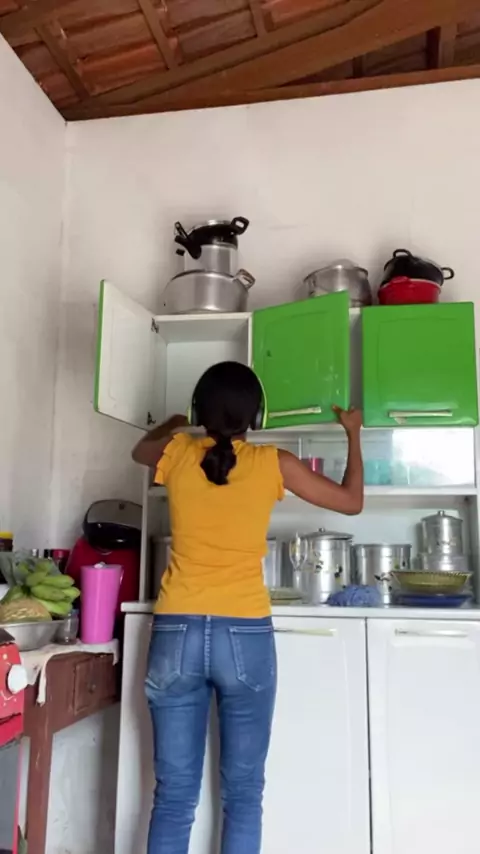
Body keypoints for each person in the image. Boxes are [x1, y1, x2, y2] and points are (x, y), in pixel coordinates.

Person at [132, 361, 363, 854]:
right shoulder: (273, 463)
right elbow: (351, 502)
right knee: (242, 795)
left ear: (200, 411)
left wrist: (176, 421)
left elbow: (138, 449)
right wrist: (353, 433)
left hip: (176, 631)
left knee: (173, 797)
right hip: (244, 634)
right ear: (256, 417)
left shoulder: (176, 452)